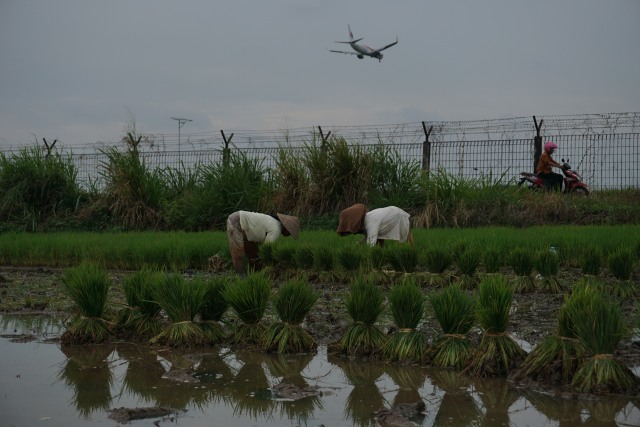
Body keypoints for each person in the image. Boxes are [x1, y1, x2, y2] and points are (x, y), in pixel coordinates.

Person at [227, 211, 300, 274]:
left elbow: (259, 247)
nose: (288, 235)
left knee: (254, 253)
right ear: (286, 227)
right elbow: (266, 248)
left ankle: (254, 273)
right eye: (289, 232)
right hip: (237, 222)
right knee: (238, 255)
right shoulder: (276, 229)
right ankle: (241, 277)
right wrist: (273, 262)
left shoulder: (273, 222)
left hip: (239, 221)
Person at [336, 204, 414, 246]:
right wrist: (360, 243)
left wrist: (366, 254)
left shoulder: (370, 222)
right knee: (379, 239)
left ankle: (412, 256)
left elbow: (371, 242)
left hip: (398, 217)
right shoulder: (367, 219)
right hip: (394, 213)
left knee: (406, 244)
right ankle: (381, 254)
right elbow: (369, 237)